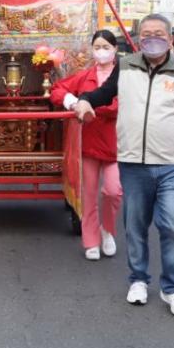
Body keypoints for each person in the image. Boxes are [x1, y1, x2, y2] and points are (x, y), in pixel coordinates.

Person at [74, 14, 174, 317]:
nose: (152, 38)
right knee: (135, 227)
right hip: (133, 163)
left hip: (171, 164)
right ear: (138, 38)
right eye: (146, 34)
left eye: (159, 33)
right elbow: (104, 93)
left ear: (170, 38)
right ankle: (138, 280)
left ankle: (172, 288)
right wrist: (84, 100)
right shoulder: (126, 66)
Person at [52, 30, 121, 261]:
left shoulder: (124, 77)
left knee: (113, 191)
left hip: (116, 144)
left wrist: (90, 105)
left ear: (115, 50)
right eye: (97, 47)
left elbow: (121, 105)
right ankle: (90, 240)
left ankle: (108, 230)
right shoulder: (84, 76)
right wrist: (71, 102)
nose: (101, 51)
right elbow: (57, 89)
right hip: (89, 142)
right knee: (88, 194)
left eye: (106, 47)